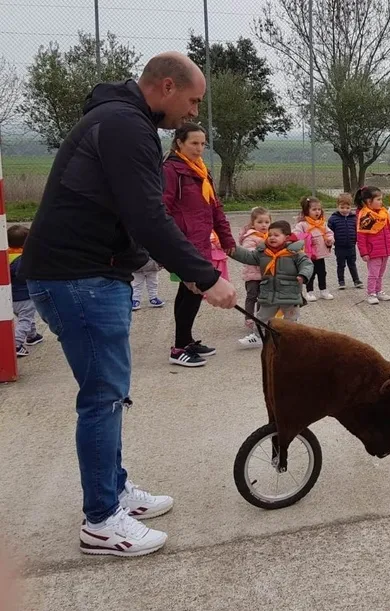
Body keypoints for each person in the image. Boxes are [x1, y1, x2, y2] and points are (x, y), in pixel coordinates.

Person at [19, 51, 238, 558]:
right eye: (192, 101)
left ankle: (113, 491)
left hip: (87, 274)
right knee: (102, 398)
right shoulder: (126, 126)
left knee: (110, 394)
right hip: (80, 278)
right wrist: (206, 277)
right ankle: (101, 521)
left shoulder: (121, 120)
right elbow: (147, 216)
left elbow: (128, 213)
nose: (193, 113)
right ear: (167, 87)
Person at [162, 121, 236, 368]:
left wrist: (226, 238)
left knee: (191, 292)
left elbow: (215, 208)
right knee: (192, 289)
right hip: (184, 243)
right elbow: (163, 208)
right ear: (179, 143)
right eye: (194, 143)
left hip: (201, 241)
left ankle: (186, 340)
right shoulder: (171, 170)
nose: (199, 148)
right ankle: (178, 349)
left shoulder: (202, 172)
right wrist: (172, 243)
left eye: (203, 144)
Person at [231, 220, 312, 346]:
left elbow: (307, 264)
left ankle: (290, 340)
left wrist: (303, 275)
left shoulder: (295, 253)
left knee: (290, 320)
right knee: (262, 317)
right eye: (270, 235)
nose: (272, 237)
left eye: (276, 235)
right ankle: (259, 336)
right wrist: (231, 250)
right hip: (269, 293)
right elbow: (248, 256)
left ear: (287, 237)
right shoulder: (263, 252)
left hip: (289, 294)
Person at [356, 185, 390, 305]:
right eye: (378, 199)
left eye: (381, 199)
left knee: (380, 273)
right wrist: (364, 252)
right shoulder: (366, 217)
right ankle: (371, 293)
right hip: (373, 251)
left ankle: (379, 291)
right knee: (373, 273)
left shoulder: (384, 214)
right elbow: (362, 236)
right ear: (369, 201)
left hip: (385, 249)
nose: (381, 202)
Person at [7, 225, 43, 357]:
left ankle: (32, 336)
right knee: (25, 320)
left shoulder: (6, 256)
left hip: (10, 297)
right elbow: (25, 275)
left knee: (26, 316)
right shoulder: (22, 259)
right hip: (24, 296)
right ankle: (16, 344)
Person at [294, 196, 335, 302]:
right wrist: (305, 239)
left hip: (320, 254)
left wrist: (329, 239)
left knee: (322, 273)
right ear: (307, 210)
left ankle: (323, 290)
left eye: (319, 209)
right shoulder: (302, 224)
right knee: (310, 273)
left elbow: (329, 233)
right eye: (314, 209)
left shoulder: (322, 223)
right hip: (309, 254)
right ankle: (309, 292)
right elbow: (296, 235)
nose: (317, 212)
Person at [238, 207, 270, 340]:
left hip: (265, 274)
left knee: (263, 297)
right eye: (260, 222)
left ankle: (260, 318)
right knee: (252, 296)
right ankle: (249, 318)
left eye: (267, 222)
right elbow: (249, 252)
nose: (264, 225)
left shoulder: (270, 236)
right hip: (252, 274)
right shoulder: (250, 237)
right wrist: (264, 251)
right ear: (253, 223)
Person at [327, 193, 363, 290]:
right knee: (341, 265)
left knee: (352, 264)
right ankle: (341, 281)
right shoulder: (333, 219)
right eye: (342, 207)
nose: (345, 210)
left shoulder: (354, 218)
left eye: (347, 208)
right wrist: (330, 243)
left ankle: (356, 280)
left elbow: (357, 230)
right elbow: (329, 232)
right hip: (339, 246)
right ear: (337, 206)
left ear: (351, 207)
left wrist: (357, 240)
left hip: (351, 246)